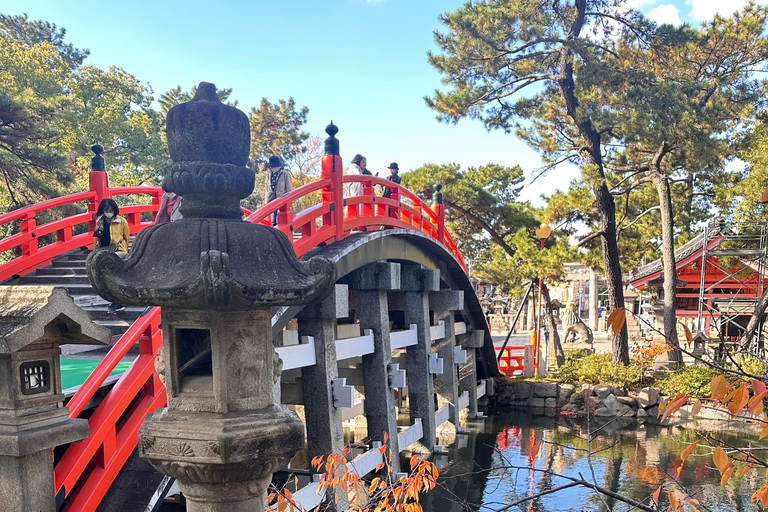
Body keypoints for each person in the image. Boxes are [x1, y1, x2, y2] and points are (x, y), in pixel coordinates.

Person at [93, 198, 130, 313]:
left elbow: (126, 237)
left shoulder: (121, 221)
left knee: (115, 276)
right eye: (106, 209)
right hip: (103, 250)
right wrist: (95, 250)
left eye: (110, 209)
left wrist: (124, 251)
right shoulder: (100, 221)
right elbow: (97, 237)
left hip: (117, 250)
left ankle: (116, 302)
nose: (108, 211)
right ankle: (115, 301)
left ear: (114, 209)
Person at [265, 155, 292, 226]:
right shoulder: (269, 174)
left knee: (281, 221)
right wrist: (266, 199)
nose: (272, 168)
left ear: (278, 166)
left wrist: (288, 200)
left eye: (273, 167)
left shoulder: (285, 174)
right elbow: (267, 187)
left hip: (281, 199)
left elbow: (289, 189)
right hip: (271, 200)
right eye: (271, 167)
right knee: (273, 221)